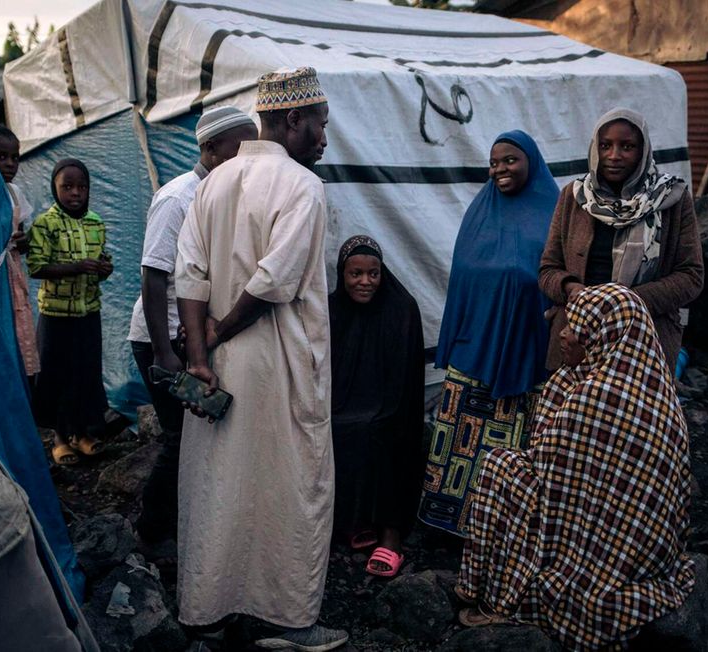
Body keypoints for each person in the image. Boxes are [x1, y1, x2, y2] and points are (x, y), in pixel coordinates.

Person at [174, 67, 348, 652]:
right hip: (277, 360)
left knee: (218, 482)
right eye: (321, 124)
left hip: (219, 364)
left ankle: (208, 610)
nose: (324, 137)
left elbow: (190, 274)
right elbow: (276, 277)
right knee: (290, 481)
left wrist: (200, 355)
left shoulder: (213, 183)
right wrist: (222, 329)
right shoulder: (302, 185)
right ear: (294, 118)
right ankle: (288, 621)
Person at [455, 283, 695, 650]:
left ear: (599, 336)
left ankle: (497, 596)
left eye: (574, 328)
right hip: (643, 543)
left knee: (497, 469)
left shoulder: (599, 396)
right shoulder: (645, 382)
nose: (564, 335)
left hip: (604, 540)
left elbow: (552, 480)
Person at [127, 106, 258, 547]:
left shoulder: (225, 194)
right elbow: (153, 274)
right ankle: (151, 532)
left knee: (199, 436)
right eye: (239, 148)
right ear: (209, 147)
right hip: (159, 337)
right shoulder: (178, 197)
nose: (247, 158)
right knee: (178, 438)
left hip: (192, 335)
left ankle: (185, 522)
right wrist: (164, 352)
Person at [418, 130, 559, 536]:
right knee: (462, 443)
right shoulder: (481, 211)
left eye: (510, 160)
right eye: (494, 162)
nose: (500, 169)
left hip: (527, 356)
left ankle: (502, 533)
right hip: (473, 353)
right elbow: (461, 282)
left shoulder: (554, 213)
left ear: (531, 161)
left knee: (514, 446)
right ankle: (448, 524)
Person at [539, 107, 703, 372]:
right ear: (595, 149)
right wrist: (571, 289)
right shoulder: (575, 196)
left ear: (643, 151)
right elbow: (548, 269)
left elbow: (691, 277)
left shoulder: (671, 198)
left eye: (627, 146)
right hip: (576, 342)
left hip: (643, 343)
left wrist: (624, 302)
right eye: (605, 146)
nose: (614, 156)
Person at [329, 235, 424, 578]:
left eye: (373, 274)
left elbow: (405, 377)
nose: (365, 282)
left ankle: (390, 533)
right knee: (339, 428)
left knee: (380, 431)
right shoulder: (331, 309)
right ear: (342, 274)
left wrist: (381, 408)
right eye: (355, 273)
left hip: (391, 403)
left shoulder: (401, 308)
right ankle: (355, 522)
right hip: (344, 402)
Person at [27, 158, 113, 465]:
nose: (75, 193)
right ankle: (60, 440)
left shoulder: (96, 222)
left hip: (89, 312)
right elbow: (37, 267)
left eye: (81, 187)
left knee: (85, 374)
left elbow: (101, 266)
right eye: (67, 187)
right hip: (56, 316)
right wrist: (76, 268)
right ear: (55, 188)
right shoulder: (44, 224)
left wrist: (103, 270)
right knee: (58, 375)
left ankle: (84, 434)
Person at [0, 124, 39, 381]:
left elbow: (24, 243)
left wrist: (22, 241)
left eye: (15, 158)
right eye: (1, 157)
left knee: (17, 331)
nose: (10, 164)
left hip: (11, 275)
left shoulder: (15, 194)